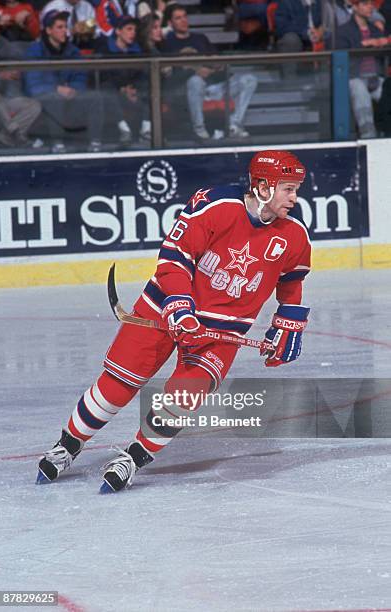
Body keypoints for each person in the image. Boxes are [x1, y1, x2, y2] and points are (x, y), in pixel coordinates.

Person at [36, 150, 311, 494]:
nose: (294, 198)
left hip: (222, 333)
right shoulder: (214, 205)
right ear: (264, 186)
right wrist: (180, 304)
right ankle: (69, 444)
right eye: (288, 188)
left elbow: (291, 282)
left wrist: (287, 324)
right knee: (118, 384)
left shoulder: (295, 235)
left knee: (183, 396)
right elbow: (173, 258)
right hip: (162, 308)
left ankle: (132, 458)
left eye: (296, 189)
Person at [161, 4, 258, 140]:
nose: (183, 21)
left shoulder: (200, 38)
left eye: (184, 17)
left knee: (249, 79)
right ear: (170, 23)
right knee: (196, 81)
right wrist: (195, 72)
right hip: (190, 91)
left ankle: (234, 125)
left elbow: (216, 60)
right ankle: (199, 129)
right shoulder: (168, 44)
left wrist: (217, 65)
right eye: (178, 18)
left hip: (214, 87)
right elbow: (169, 77)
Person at [24, 10, 104, 152]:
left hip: (71, 96)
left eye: (65, 27)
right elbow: (33, 84)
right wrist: (56, 89)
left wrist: (74, 88)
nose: (65, 31)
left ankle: (95, 143)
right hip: (45, 99)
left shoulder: (73, 51)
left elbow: (81, 76)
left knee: (95, 98)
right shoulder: (34, 51)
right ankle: (57, 144)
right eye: (59, 27)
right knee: (54, 99)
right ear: (48, 30)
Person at [335, 0, 389, 138]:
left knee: (388, 87)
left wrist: (384, 43)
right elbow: (342, 59)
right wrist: (364, 44)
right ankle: (368, 136)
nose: (370, 7)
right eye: (365, 4)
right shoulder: (343, 31)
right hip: (354, 77)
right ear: (355, 7)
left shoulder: (376, 30)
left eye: (371, 4)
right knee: (360, 91)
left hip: (376, 77)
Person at [95, 15, 151, 144]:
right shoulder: (105, 50)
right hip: (114, 93)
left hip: (133, 92)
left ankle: (146, 129)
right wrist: (122, 89)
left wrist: (133, 89)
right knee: (106, 88)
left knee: (149, 84)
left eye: (134, 30)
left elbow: (142, 74)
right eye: (129, 29)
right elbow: (103, 76)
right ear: (118, 31)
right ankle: (124, 130)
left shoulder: (138, 50)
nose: (133, 33)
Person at [0, 14, 41, 147]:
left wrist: (15, 68)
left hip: (2, 104)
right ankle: (16, 133)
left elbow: (18, 59)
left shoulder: (4, 46)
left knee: (32, 106)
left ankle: (3, 139)